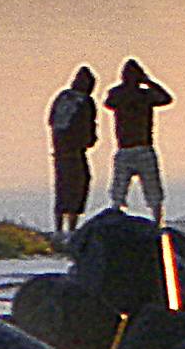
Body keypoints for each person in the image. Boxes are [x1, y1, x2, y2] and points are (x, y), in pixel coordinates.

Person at [105, 58, 174, 219]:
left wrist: (148, 82)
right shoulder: (119, 94)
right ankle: (117, 220)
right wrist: (146, 83)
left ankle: (157, 222)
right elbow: (109, 103)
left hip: (142, 147)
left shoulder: (145, 95)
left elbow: (167, 98)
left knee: (153, 193)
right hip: (126, 149)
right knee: (118, 192)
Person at [47, 66, 98, 239]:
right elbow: (88, 126)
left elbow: (52, 121)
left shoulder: (62, 97)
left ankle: (59, 228)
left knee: (62, 186)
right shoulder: (85, 102)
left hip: (59, 151)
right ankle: (71, 229)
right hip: (75, 151)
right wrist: (88, 141)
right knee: (78, 185)